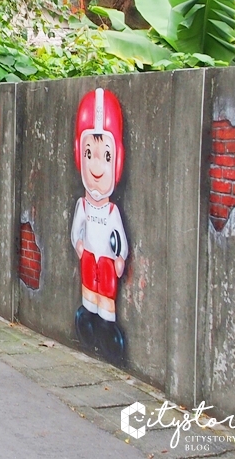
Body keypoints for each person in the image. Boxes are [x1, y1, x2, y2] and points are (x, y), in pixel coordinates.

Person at [71, 88, 128, 364]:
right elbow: (76, 230)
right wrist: (79, 245)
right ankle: (88, 318)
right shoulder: (82, 206)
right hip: (88, 258)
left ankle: (107, 326)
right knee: (88, 292)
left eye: (105, 156)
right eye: (89, 154)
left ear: (116, 160)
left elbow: (119, 239)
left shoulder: (112, 211)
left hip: (106, 261)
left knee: (106, 294)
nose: (96, 166)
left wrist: (120, 257)